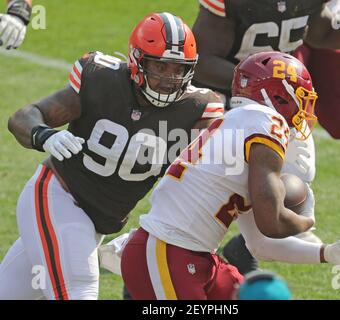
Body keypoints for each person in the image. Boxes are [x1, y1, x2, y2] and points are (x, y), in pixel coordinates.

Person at [0, 12, 224, 300]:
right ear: (137, 60)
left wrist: (151, 233)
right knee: (79, 289)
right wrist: (45, 135)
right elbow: (24, 116)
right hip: (57, 196)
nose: (170, 77)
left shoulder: (197, 110)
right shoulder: (101, 78)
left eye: (179, 69)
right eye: (160, 65)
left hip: (99, 222)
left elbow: (201, 185)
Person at [121, 52, 340, 300]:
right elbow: (272, 223)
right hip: (168, 252)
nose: (304, 111)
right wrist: (306, 219)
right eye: (300, 98)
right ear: (278, 95)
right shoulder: (267, 121)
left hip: (192, 255)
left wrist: (326, 253)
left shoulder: (241, 130)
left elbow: (261, 245)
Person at [191, 0, 340, 273]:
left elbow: (321, 34)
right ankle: (157, 251)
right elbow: (203, 59)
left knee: (298, 175)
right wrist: (256, 82)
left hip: (275, 99)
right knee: (220, 193)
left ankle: (245, 248)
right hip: (229, 99)